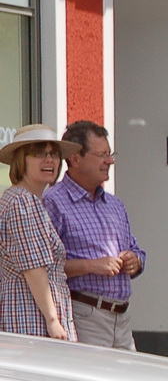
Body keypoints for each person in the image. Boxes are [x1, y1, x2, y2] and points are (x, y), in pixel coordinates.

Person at [43, 121, 145, 350]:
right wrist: (90, 266)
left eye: (110, 154)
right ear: (75, 158)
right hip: (84, 314)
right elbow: (44, 266)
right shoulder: (54, 202)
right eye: (102, 155)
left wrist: (135, 261)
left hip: (123, 318)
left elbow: (138, 251)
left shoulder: (115, 205)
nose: (110, 161)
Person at [0, 125, 79, 341]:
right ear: (20, 160)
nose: (49, 160)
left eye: (53, 154)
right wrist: (53, 320)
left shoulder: (28, 200)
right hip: (30, 318)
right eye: (38, 153)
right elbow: (33, 268)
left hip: (33, 314)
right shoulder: (22, 202)